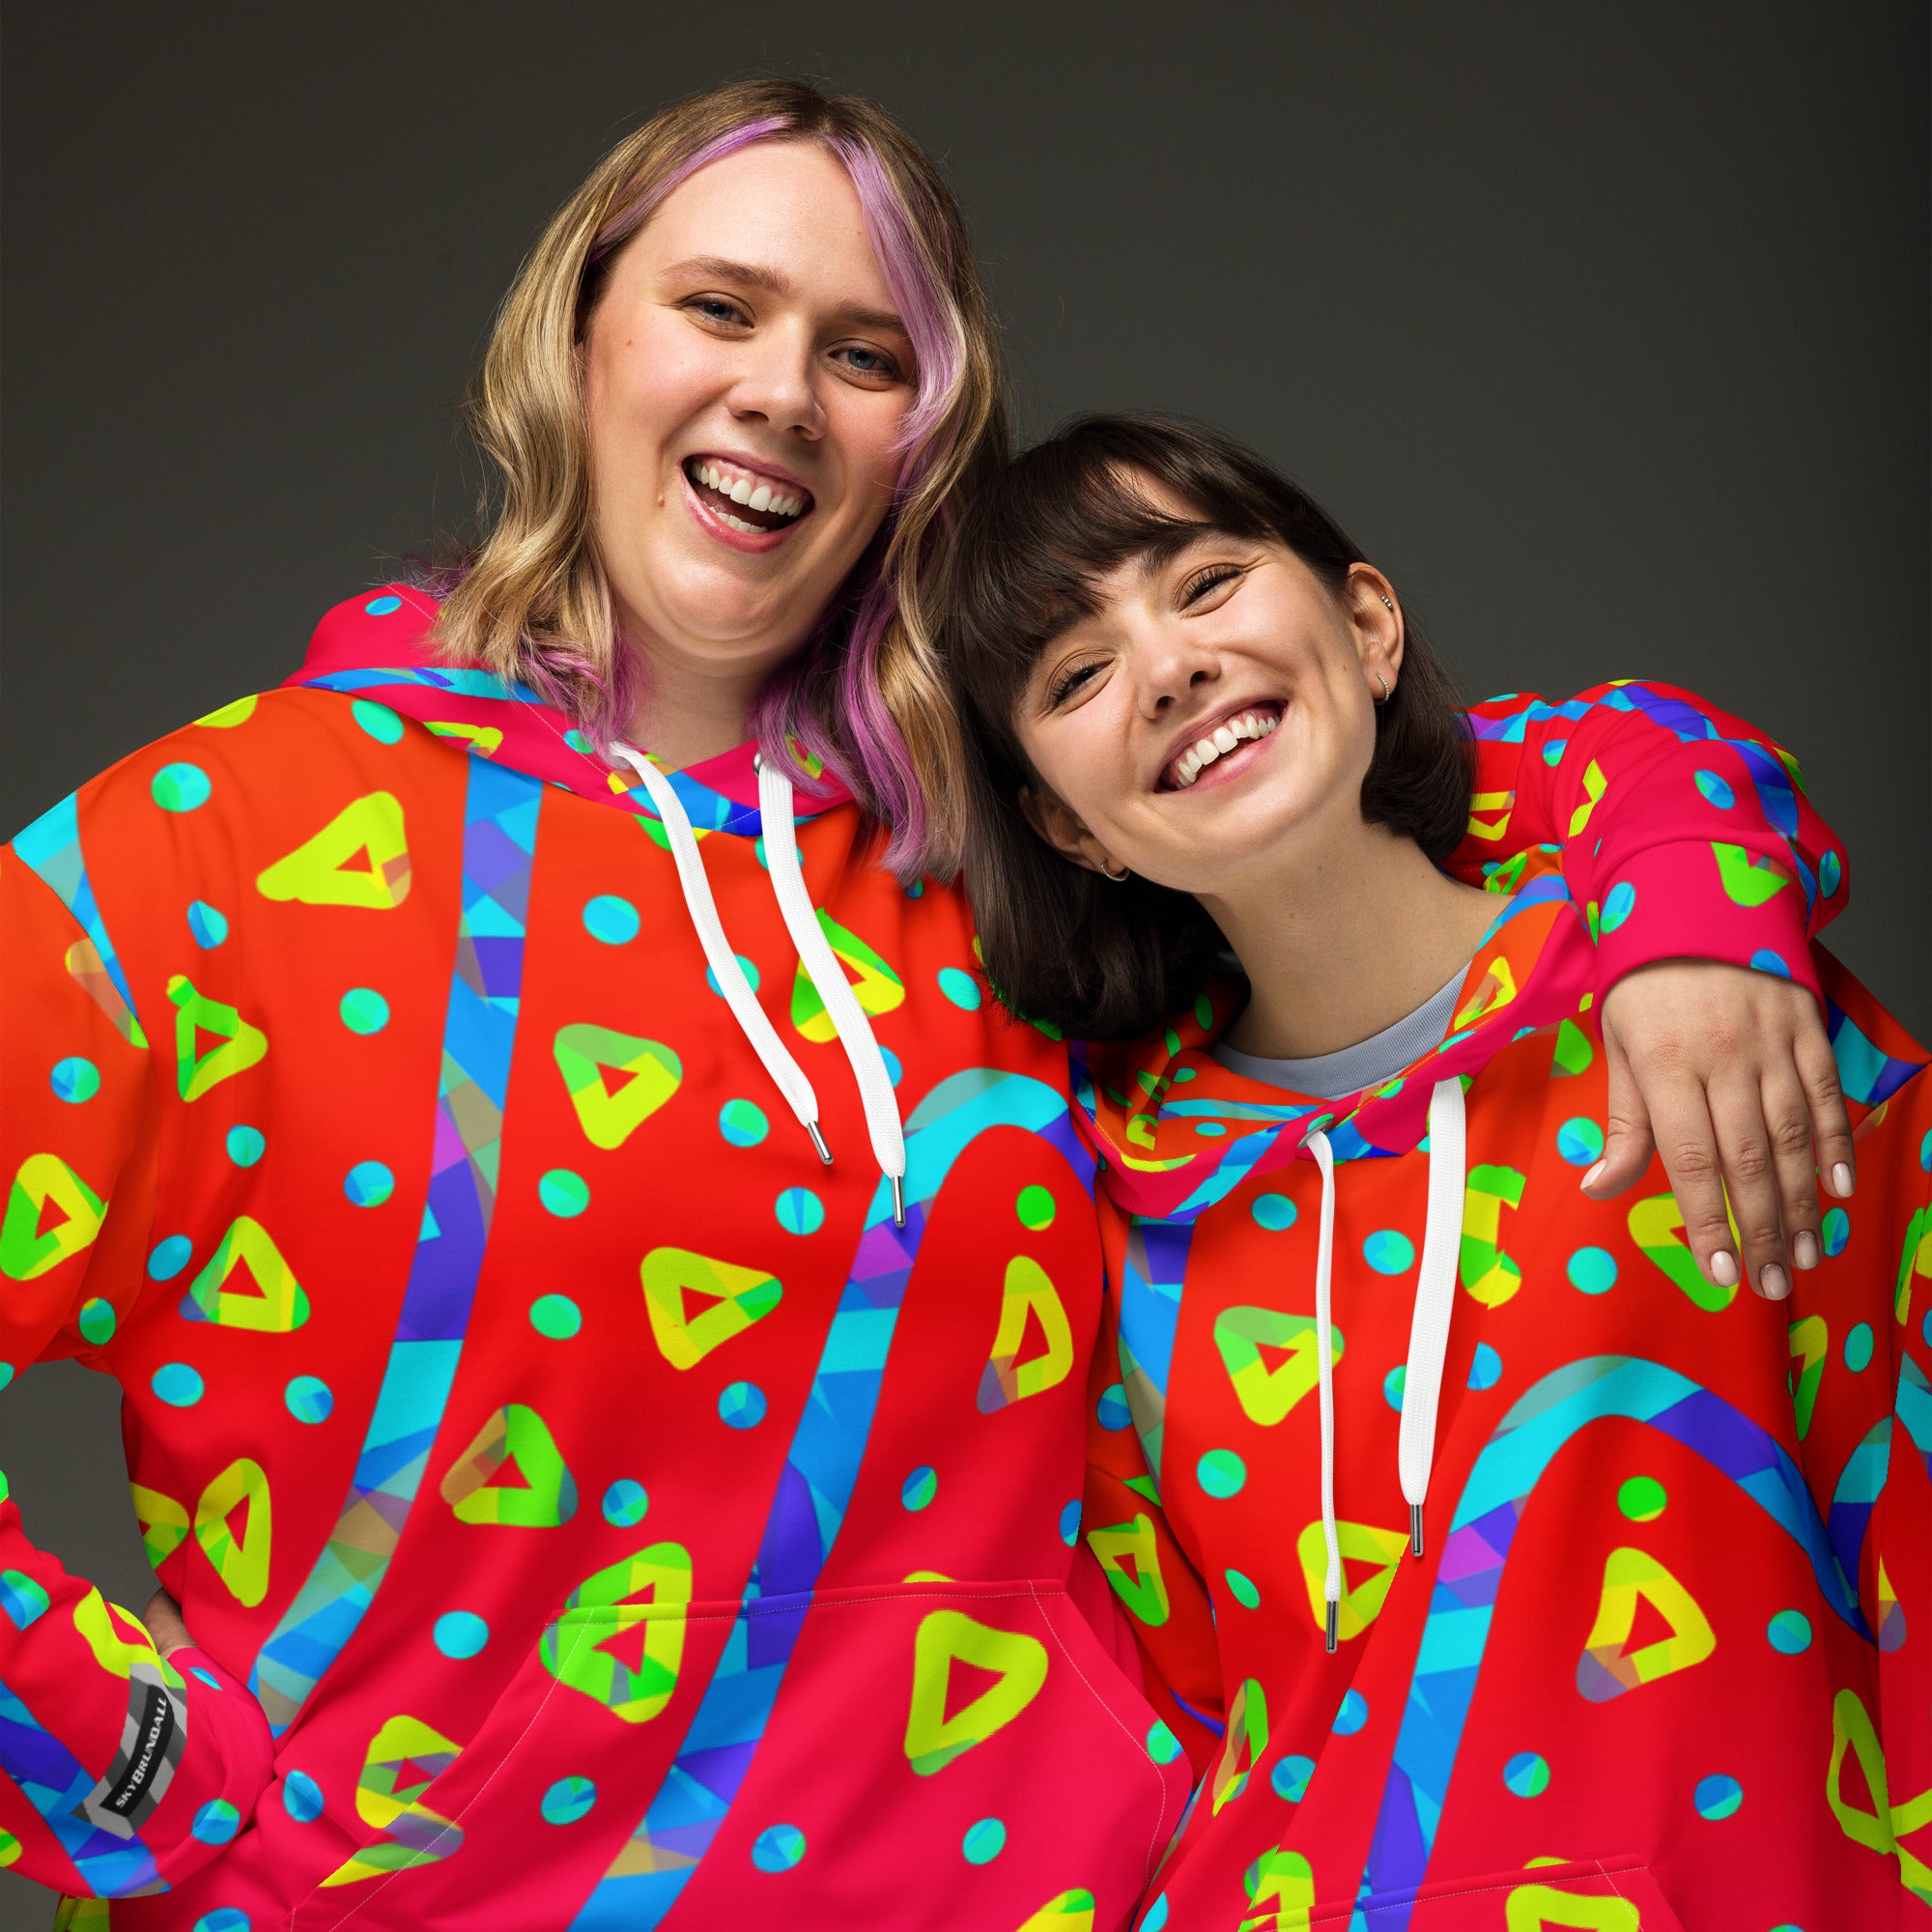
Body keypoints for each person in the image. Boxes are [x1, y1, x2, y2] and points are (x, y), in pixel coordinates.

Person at [0, 87, 1874, 1932]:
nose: (781, 391)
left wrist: (1696, 901)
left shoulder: (988, 860)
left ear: (922, 439)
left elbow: (1415, 775)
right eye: (719, 308)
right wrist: (134, 1773)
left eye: (864, 352)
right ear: (576, 342)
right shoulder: (231, 838)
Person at [942, 414, 1929, 1929]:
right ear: (1074, 828)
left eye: (1203, 585)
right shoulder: (1118, 1221)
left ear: (1365, 622)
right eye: (1075, 678)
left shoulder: (1698, 1006)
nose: (1166, 668)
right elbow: (1179, 1730)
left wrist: (1687, 891)